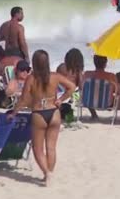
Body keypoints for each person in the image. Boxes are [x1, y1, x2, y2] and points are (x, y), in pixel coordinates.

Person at [8, 50, 75, 187]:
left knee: (37, 148)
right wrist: (61, 99)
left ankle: (47, 173)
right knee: (51, 148)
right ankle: (48, 174)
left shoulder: (31, 79)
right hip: (54, 112)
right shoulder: (55, 76)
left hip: (39, 113)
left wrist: (13, 113)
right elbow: (72, 87)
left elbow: (24, 100)